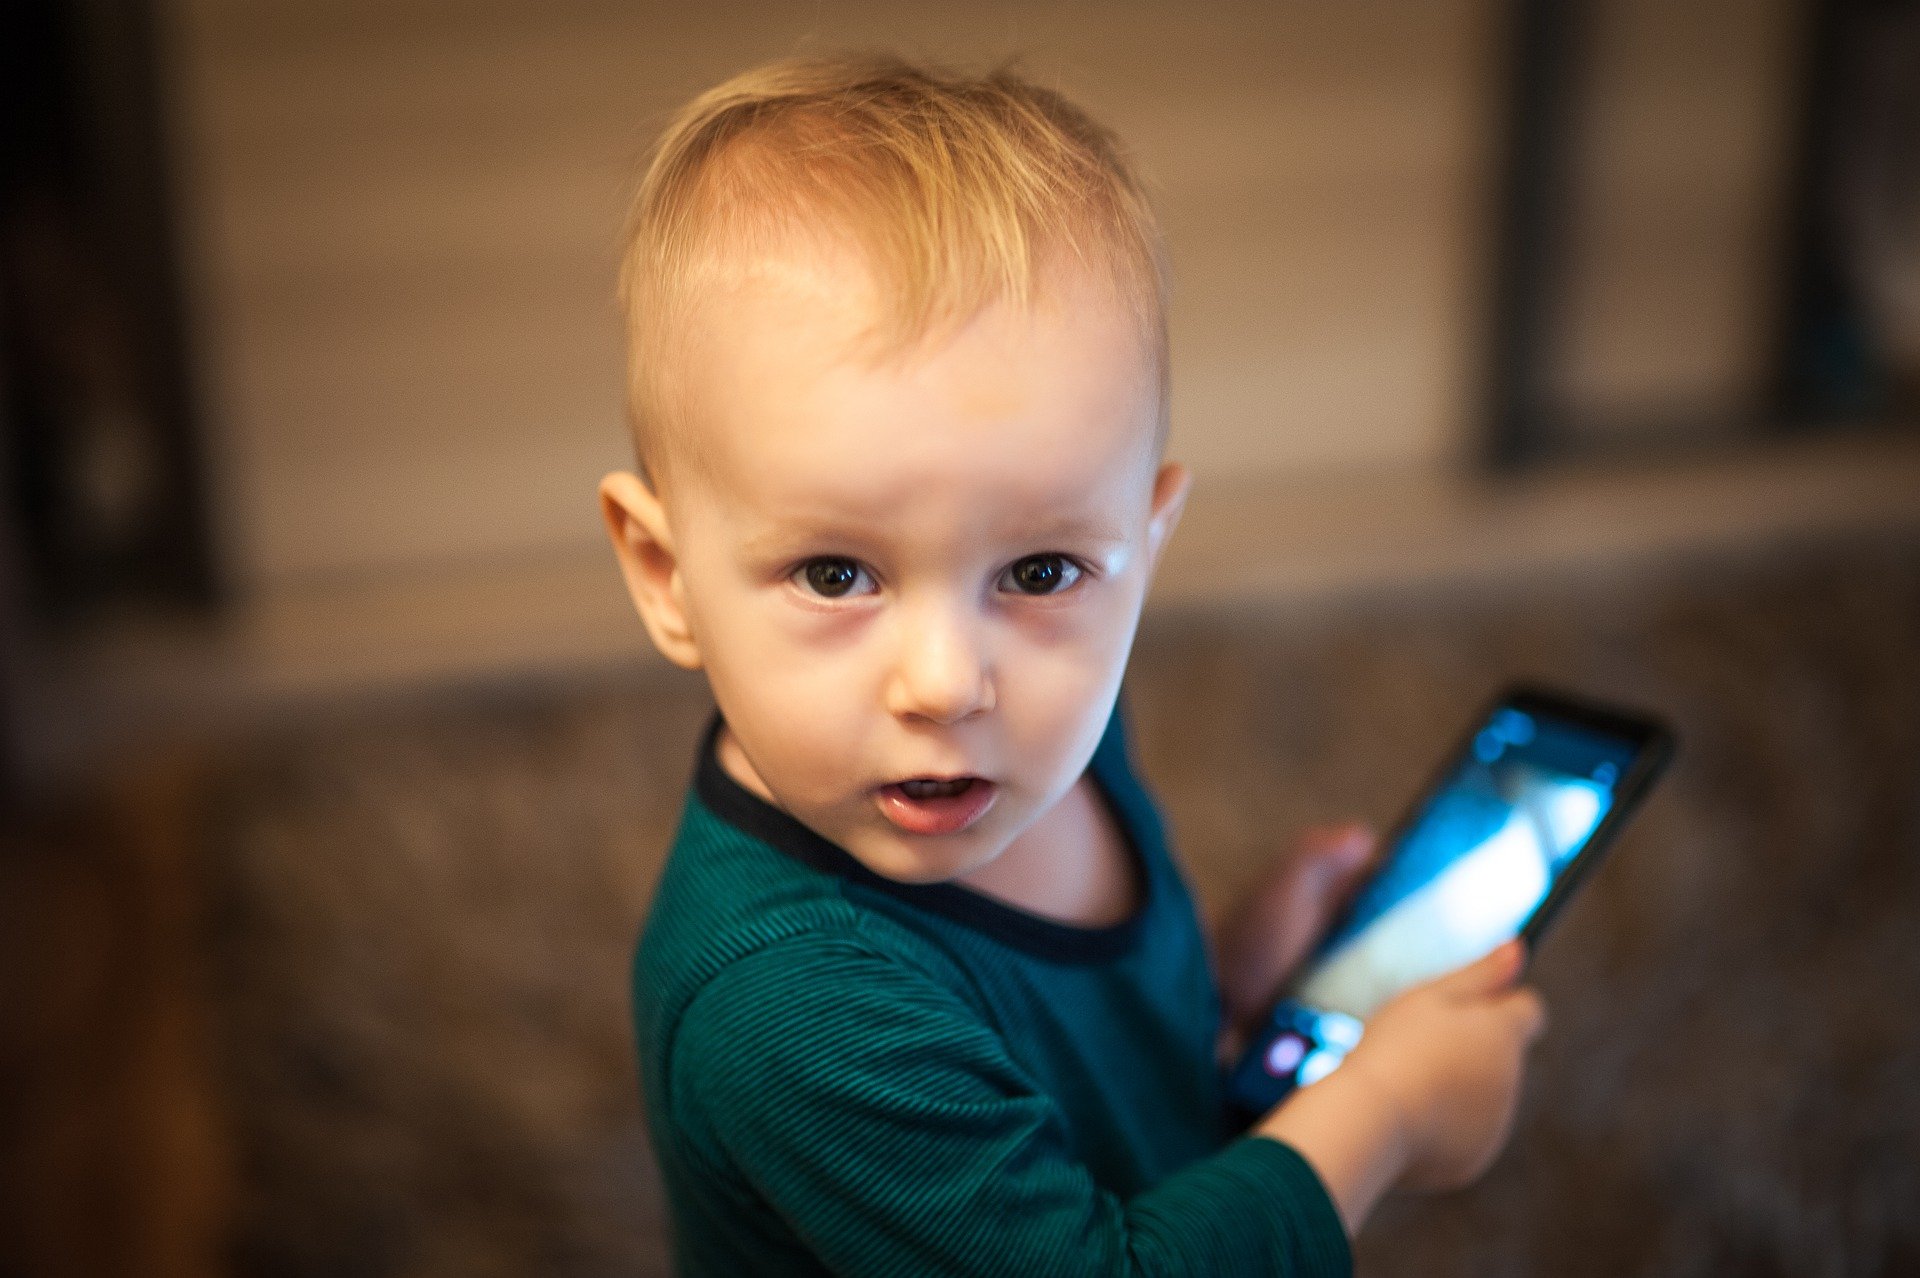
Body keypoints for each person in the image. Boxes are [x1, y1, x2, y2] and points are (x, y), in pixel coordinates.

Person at [598, 53, 1545, 1276]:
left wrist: (1224, 996)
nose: (947, 682)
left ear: (1141, 553)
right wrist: (1387, 1118)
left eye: (1038, 572)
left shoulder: (1058, 711)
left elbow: (1072, 1049)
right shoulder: (791, 1006)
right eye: (837, 574)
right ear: (667, 577)